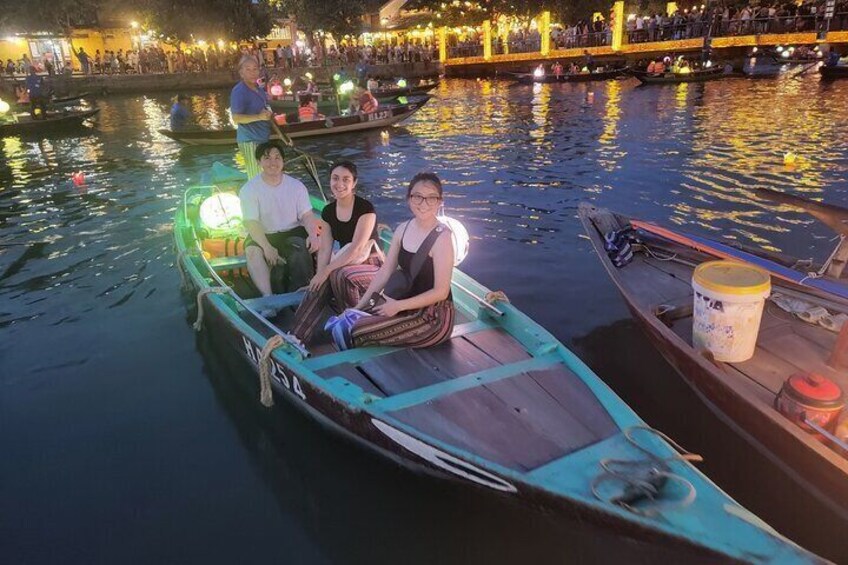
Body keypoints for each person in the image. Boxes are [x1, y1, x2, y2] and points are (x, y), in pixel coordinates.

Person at [345, 172, 455, 349]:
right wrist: (359, 306)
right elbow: (385, 271)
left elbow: (441, 292)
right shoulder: (403, 229)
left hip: (432, 316)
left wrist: (397, 306)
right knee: (354, 317)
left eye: (431, 198)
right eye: (417, 196)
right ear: (409, 199)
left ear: (440, 202)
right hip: (402, 302)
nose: (423, 203)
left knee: (358, 330)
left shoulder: (443, 237)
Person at [291, 161, 382, 343]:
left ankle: (354, 327)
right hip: (346, 262)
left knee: (337, 275)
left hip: (370, 264)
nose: (339, 184)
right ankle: (296, 337)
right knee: (325, 280)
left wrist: (326, 271)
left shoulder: (365, 209)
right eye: (335, 178)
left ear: (354, 183)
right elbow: (325, 248)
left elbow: (357, 247)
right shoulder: (328, 212)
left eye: (346, 179)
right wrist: (318, 276)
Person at [240, 140, 320, 297]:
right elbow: (252, 222)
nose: (273, 162)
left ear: (283, 161)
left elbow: (307, 215)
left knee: (299, 248)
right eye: (267, 158)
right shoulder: (249, 189)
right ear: (259, 162)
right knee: (252, 252)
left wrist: (313, 234)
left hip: (292, 230)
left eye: (277, 158)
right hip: (264, 232)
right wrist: (266, 247)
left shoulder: (296, 186)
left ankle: (304, 293)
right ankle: (268, 297)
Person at [230, 55, 272, 178]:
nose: (252, 72)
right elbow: (236, 118)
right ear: (241, 72)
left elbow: (266, 110)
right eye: (248, 69)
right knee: (256, 176)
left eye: (255, 69)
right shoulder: (239, 91)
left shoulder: (259, 90)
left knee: (265, 173)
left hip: (263, 139)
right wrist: (259, 117)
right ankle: (254, 197)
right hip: (250, 140)